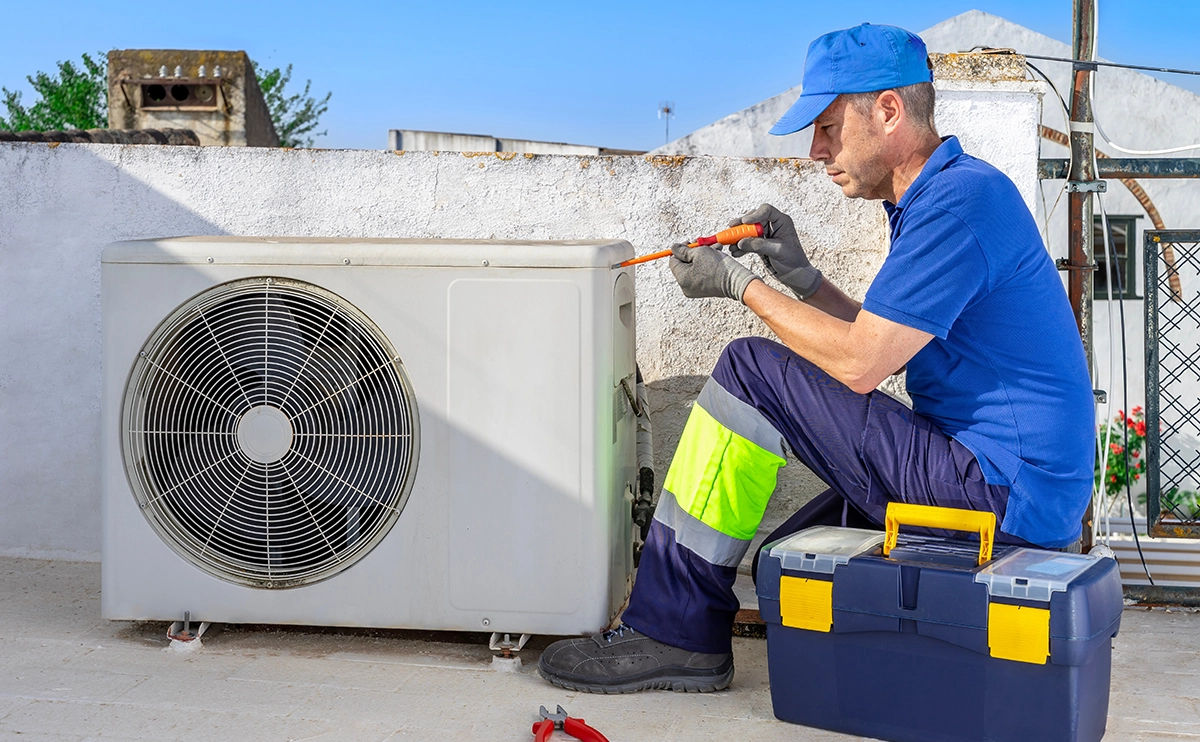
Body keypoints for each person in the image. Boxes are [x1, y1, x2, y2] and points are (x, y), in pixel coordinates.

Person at [538, 22, 1094, 694]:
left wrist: (736, 284)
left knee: (749, 369)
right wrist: (801, 277)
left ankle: (674, 628)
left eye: (828, 127)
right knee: (788, 560)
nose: (814, 150)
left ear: (887, 111)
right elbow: (884, 342)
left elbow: (861, 365)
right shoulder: (945, 195)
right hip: (1002, 486)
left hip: (1002, 496)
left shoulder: (958, 204)